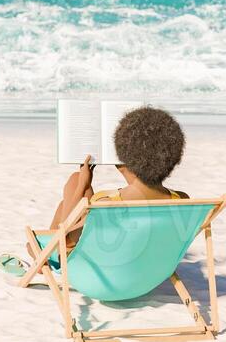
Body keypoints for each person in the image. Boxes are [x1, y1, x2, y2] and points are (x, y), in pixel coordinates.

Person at [47, 106, 189, 249]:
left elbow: (64, 242)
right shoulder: (183, 200)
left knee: (76, 183)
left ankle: (39, 254)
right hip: (153, 265)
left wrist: (82, 185)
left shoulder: (105, 204)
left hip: (96, 266)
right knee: (66, 198)